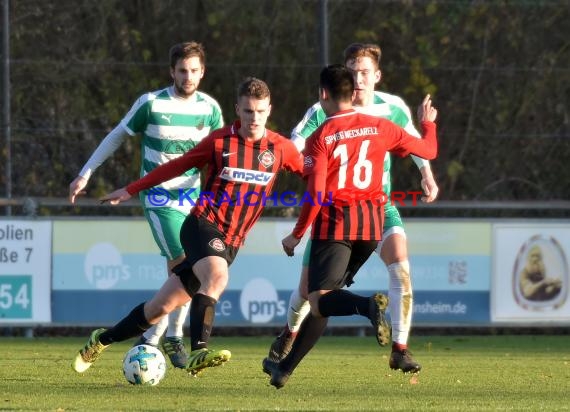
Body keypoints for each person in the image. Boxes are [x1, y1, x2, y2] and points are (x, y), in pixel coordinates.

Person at [71, 77, 303, 376]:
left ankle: (100, 340)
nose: (253, 118)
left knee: (158, 308)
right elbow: (176, 166)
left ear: (269, 110)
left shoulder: (280, 148)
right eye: (247, 111)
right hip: (201, 225)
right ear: (237, 109)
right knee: (218, 277)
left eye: (259, 112)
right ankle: (199, 351)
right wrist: (131, 188)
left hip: (231, 241)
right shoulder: (220, 142)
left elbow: (311, 175)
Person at [265, 43, 438, 374]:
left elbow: (415, 145)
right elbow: (294, 144)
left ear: (377, 75)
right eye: (352, 71)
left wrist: (426, 176)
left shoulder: (392, 108)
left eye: (364, 72)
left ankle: (400, 348)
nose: (358, 78)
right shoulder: (322, 111)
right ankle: (289, 332)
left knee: (400, 267)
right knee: (307, 291)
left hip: (375, 206)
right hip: (344, 212)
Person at [68, 42, 224, 369]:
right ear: (172, 71)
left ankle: (157, 336)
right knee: (187, 264)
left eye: (194, 70)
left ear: (203, 72)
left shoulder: (209, 108)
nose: (188, 76)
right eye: (182, 70)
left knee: (185, 275)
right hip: (158, 198)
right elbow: (116, 136)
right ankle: (169, 337)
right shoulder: (152, 103)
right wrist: (85, 173)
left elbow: (219, 156)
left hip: (193, 199)